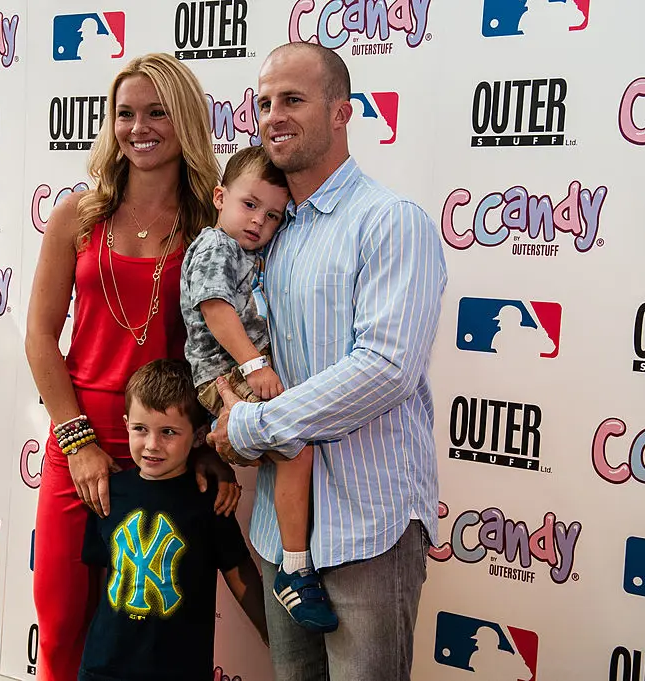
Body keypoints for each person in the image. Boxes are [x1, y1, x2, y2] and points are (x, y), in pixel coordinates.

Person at [207, 42, 447, 680]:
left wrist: (254, 425)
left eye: (293, 99)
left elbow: (386, 367)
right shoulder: (268, 231)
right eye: (264, 103)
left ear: (342, 112)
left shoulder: (390, 221)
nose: (274, 115)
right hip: (279, 530)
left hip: (369, 525)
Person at [25, 52, 237, 680]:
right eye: (125, 113)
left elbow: (219, 349)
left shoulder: (211, 227)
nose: (138, 128)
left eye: (157, 112)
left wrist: (202, 442)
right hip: (78, 440)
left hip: (164, 448)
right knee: (61, 625)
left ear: (186, 121)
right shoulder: (76, 216)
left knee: (149, 642)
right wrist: (78, 442)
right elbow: (39, 338)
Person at [181, 145, 336, 632]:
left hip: (237, 372)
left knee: (297, 452)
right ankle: (295, 570)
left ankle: (298, 560)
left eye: (272, 216)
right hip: (224, 376)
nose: (258, 222)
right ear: (219, 197)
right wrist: (253, 365)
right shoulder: (215, 246)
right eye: (249, 205)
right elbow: (214, 308)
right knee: (296, 449)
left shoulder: (249, 252)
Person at [79, 359, 267, 681]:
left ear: (197, 436)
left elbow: (239, 571)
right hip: (104, 668)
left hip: (180, 669)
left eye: (168, 432)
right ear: (126, 424)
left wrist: (271, 634)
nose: (152, 445)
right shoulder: (108, 494)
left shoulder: (209, 501)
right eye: (141, 429)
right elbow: (101, 577)